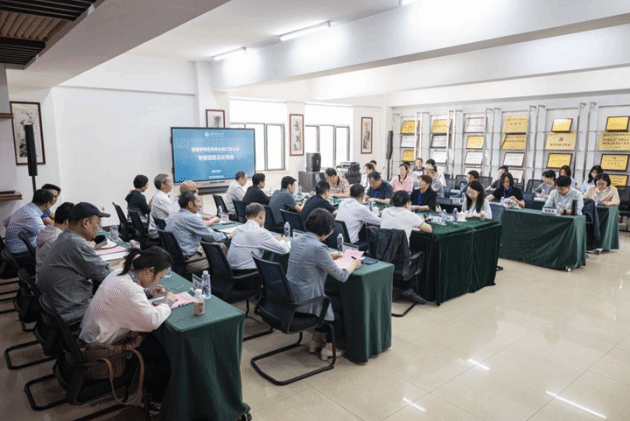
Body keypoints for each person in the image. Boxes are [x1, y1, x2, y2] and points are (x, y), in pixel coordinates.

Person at [79, 247, 176, 405]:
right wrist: (168, 301)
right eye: (159, 277)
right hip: (99, 352)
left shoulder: (118, 274)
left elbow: (124, 299)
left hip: (89, 338)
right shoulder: (131, 290)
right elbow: (152, 322)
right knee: (158, 351)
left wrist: (147, 293)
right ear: (150, 270)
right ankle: (155, 401)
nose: (157, 282)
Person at [287, 209, 361, 360]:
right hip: (307, 302)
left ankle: (315, 340)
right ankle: (329, 347)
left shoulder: (296, 240)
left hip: (292, 297)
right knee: (343, 303)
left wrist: (328, 256)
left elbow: (308, 259)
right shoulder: (319, 248)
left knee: (329, 295)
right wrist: (354, 263)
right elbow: (342, 276)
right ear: (326, 230)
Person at [37, 202, 115, 323]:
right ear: (85, 222)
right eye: (97, 223)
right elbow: (107, 275)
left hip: (59, 305)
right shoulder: (76, 244)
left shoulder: (65, 237)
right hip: (74, 312)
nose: (98, 228)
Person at [165, 191, 228, 273]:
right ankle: (224, 276)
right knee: (221, 246)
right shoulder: (190, 218)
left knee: (217, 246)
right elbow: (212, 236)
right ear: (190, 204)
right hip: (191, 262)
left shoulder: (175, 216)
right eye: (198, 201)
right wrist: (229, 236)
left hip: (176, 261)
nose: (200, 205)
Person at [227, 203, 290, 280]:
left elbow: (252, 238)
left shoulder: (238, 229)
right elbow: (284, 250)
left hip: (231, 273)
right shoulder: (260, 233)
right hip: (247, 277)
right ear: (261, 215)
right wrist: (283, 240)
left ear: (247, 217)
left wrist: (271, 238)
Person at [3, 189, 54, 262]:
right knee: (54, 252)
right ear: (47, 204)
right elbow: (47, 236)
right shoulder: (32, 215)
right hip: (20, 253)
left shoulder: (26, 209)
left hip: (11, 250)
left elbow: (6, 221)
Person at [35, 202, 74, 276]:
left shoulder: (48, 231)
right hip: (53, 279)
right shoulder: (58, 239)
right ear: (67, 222)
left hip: (45, 275)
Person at [148, 173, 174, 240]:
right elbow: (175, 216)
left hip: (158, 230)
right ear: (162, 185)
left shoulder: (157, 195)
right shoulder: (163, 199)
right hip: (160, 233)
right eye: (169, 181)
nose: (171, 184)